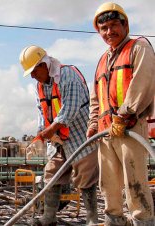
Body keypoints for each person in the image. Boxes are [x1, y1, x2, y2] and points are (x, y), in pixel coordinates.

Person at [87, 2, 155, 225]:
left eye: (114, 25)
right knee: (108, 186)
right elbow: (96, 98)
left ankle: (143, 221)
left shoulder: (139, 47)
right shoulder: (102, 61)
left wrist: (125, 113)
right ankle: (114, 221)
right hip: (106, 132)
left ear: (125, 25)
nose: (109, 32)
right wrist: (93, 124)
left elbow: (142, 83)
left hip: (130, 127)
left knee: (134, 184)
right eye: (104, 28)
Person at [19, 45, 99, 225]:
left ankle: (92, 218)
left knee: (85, 178)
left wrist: (50, 130)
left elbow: (69, 109)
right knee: (51, 175)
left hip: (80, 136)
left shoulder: (67, 76)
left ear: (44, 65)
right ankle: (49, 217)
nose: (32, 76)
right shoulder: (40, 86)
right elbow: (42, 111)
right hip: (58, 140)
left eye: (34, 71)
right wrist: (40, 133)